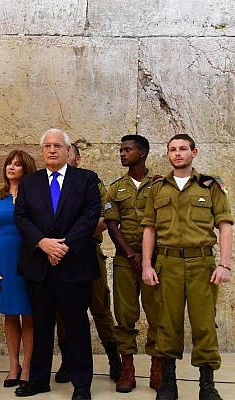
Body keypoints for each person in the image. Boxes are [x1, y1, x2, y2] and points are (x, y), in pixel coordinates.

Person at [141, 134, 232, 400]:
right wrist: (147, 265)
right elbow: (149, 228)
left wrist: (225, 264)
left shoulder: (210, 186)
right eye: (172, 149)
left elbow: (225, 225)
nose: (178, 153)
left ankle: (207, 385)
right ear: (168, 154)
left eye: (183, 149)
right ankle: (169, 383)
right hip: (167, 263)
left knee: (204, 325)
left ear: (194, 152)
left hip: (201, 264)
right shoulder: (157, 188)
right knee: (167, 324)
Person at [13, 128, 100, 400]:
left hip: (74, 264)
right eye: (47, 146)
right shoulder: (29, 183)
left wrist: (63, 246)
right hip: (38, 265)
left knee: (76, 325)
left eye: (57, 146)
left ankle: (82, 384)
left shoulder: (85, 179)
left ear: (68, 151)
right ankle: (38, 380)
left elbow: (90, 215)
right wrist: (43, 243)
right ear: (42, 152)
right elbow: (22, 217)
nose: (52, 150)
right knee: (41, 325)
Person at [54, 144, 121, 384]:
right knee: (62, 310)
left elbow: (104, 217)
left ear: (77, 158)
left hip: (87, 253)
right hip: (59, 255)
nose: (60, 152)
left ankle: (114, 359)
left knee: (100, 306)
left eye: (66, 150)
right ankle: (68, 360)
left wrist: (75, 238)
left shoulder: (90, 182)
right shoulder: (48, 183)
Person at [104, 135, 161, 393]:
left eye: (128, 150)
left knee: (157, 314)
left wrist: (147, 256)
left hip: (155, 260)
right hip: (125, 260)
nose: (123, 154)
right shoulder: (116, 188)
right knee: (124, 316)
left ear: (143, 153)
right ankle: (127, 369)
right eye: (121, 150)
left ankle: (157, 367)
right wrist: (130, 254)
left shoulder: (160, 185)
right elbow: (112, 225)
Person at [0, 150, 36, 389]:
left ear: (26, 169)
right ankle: (13, 366)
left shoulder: (34, 196)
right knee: (10, 313)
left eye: (17, 164)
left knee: (29, 314)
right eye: (8, 164)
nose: (11, 168)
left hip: (28, 259)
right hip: (3, 260)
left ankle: (27, 367)